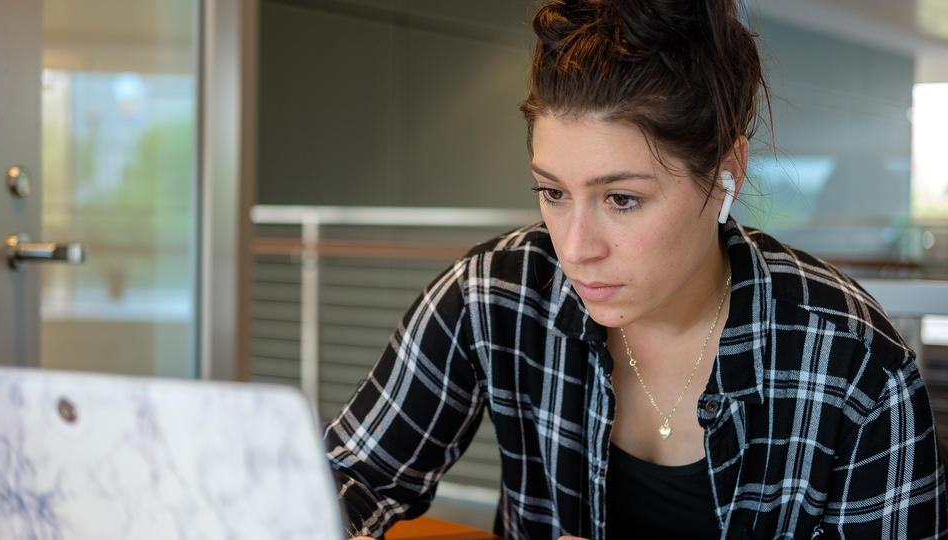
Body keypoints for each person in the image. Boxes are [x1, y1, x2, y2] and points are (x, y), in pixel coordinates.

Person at [324, 0, 947, 538]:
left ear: (726, 172)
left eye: (621, 199)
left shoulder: (853, 362)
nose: (574, 247)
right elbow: (346, 480)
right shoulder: (493, 294)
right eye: (553, 192)